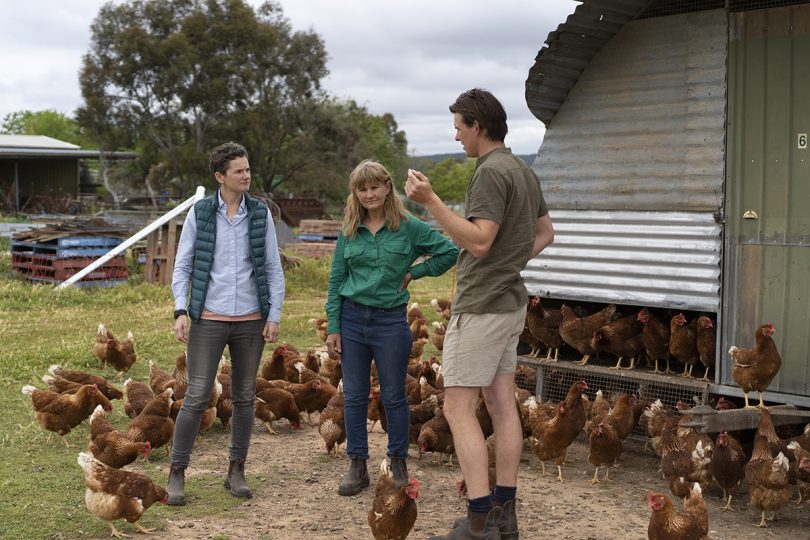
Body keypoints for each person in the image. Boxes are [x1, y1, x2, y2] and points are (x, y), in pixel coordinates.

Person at [405, 89, 554, 540]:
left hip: (483, 305)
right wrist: (511, 264)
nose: (456, 137)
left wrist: (431, 202)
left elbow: (480, 240)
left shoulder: (490, 172)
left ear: (477, 125)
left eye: (458, 127)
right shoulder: (522, 170)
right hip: (509, 303)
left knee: (457, 408)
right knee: (502, 405)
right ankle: (505, 518)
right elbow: (546, 232)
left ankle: (479, 522)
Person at [325, 159, 459, 496]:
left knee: (394, 396)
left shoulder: (410, 227)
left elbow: (449, 251)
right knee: (354, 397)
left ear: (387, 188)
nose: (369, 194)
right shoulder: (349, 229)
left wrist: (415, 272)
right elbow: (336, 280)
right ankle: (357, 466)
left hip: (390, 321)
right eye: (362, 188)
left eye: (375, 187)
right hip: (353, 320)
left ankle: (398, 461)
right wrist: (334, 326)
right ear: (355, 192)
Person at [167, 141, 285, 505]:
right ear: (220, 177)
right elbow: (183, 266)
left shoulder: (260, 213)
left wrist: (273, 314)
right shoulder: (200, 214)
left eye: (248, 169)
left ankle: (237, 470)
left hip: (251, 320)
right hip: (208, 318)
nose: (246, 175)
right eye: (239, 171)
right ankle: (177, 472)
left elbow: (271, 268)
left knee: (245, 396)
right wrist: (181, 309)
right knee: (199, 395)